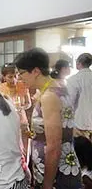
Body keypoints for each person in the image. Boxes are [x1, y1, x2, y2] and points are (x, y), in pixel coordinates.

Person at [15, 48, 82, 188]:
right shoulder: (57, 87)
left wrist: (47, 184)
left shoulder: (49, 96)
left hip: (56, 172)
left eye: (21, 73)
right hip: (57, 165)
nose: (19, 78)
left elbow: (54, 146)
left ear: (35, 71)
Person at [67, 53, 92, 141]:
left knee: (82, 152)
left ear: (78, 63)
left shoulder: (73, 79)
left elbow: (69, 102)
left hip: (80, 123)